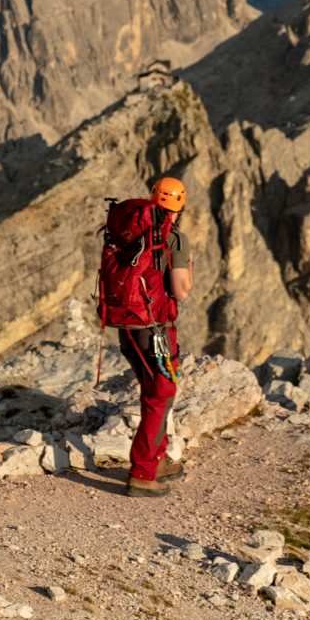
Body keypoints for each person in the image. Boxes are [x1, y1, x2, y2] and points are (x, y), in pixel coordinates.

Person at [119, 176, 193, 498]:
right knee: (160, 394)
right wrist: (188, 266)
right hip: (155, 328)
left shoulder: (132, 231)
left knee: (156, 391)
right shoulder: (173, 238)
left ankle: (156, 457)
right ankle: (143, 471)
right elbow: (181, 290)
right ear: (179, 209)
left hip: (128, 326)